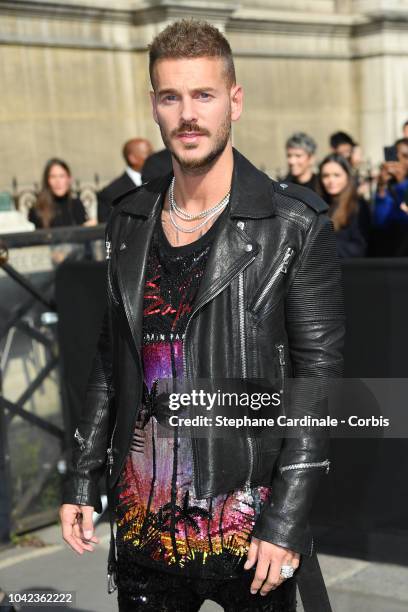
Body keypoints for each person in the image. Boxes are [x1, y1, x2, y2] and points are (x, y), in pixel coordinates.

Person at [60, 19, 344, 612]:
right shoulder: (129, 219)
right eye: (172, 97)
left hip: (250, 531)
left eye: (204, 95)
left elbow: (315, 385)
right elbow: (110, 362)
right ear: (155, 107)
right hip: (144, 530)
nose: (188, 114)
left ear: (233, 102)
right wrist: (82, 476)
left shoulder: (293, 225)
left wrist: (286, 519)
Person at [318, 153, 369, 257]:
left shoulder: (357, 205)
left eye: (337, 175)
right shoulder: (319, 204)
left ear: (347, 176)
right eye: (325, 176)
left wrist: (323, 247)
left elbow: (360, 247)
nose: (331, 181)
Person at [97, 138, 153, 222]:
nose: (154, 157)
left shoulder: (160, 180)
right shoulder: (111, 193)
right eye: (149, 154)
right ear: (132, 159)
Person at [28, 158, 89, 229]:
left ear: (69, 179)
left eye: (62, 176)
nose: (58, 181)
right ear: (47, 181)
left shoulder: (77, 205)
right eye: (53, 177)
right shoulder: (37, 210)